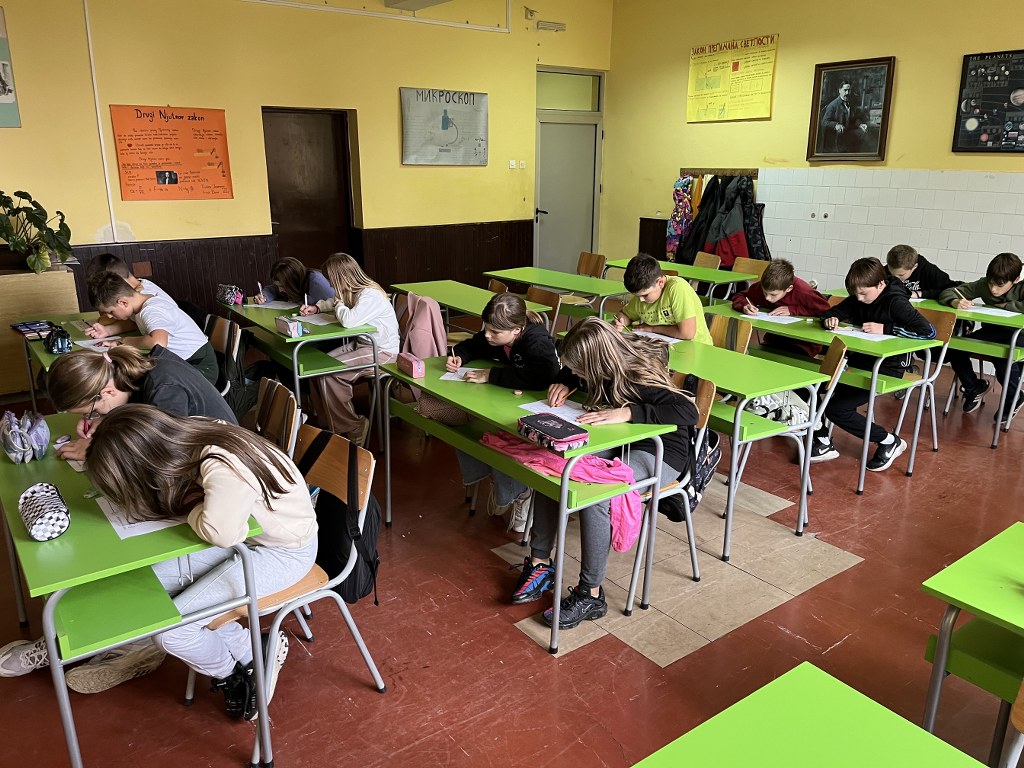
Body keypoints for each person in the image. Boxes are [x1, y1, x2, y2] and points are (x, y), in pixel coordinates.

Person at [7, 405, 317, 720]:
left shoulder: (222, 465)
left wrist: (192, 505)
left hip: (283, 551)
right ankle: (250, 648)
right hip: (247, 541)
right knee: (144, 584)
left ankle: (230, 673)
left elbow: (221, 532)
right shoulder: (183, 435)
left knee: (171, 632)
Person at [0, 347, 239, 692]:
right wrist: (101, 425)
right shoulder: (132, 376)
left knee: (115, 554)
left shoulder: (165, 390)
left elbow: (162, 459)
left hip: (211, 495)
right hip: (190, 485)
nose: (90, 418)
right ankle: (101, 640)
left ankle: (114, 642)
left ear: (106, 391)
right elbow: (143, 431)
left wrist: (99, 443)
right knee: (103, 538)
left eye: (91, 410)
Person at [511, 318, 697, 629]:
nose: (576, 374)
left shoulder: (637, 374)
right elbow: (571, 371)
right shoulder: (596, 365)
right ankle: (540, 564)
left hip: (659, 452)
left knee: (598, 494)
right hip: (616, 441)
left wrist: (629, 412)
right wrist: (565, 380)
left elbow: (689, 411)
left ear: (596, 363)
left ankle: (591, 594)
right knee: (554, 465)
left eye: (578, 370)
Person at [447, 293, 561, 532]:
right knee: (474, 430)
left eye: (495, 332)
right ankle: (503, 485)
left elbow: (543, 376)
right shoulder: (494, 335)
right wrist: (458, 358)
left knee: (504, 436)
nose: (488, 335)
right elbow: (471, 345)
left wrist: (491, 375)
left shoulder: (536, 341)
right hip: (506, 399)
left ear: (517, 330)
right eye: (487, 328)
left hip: (539, 406)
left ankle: (519, 492)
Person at [812, 258, 935, 471]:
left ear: (880, 284)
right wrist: (830, 320)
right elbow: (831, 313)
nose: (859, 299)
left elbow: (929, 332)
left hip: (887, 367)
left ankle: (889, 441)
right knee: (810, 386)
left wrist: (886, 329)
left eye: (863, 293)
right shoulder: (858, 297)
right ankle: (821, 438)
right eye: (855, 294)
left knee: (837, 409)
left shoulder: (896, 302)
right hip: (856, 362)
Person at [299, 253, 399, 446]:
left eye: (332, 281)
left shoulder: (371, 295)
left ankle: (353, 426)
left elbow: (348, 320)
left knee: (330, 372)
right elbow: (335, 301)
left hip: (383, 352)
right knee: (317, 368)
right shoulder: (354, 291)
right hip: (364, 345)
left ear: (342, 278)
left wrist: (338, 303)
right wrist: (317, 308)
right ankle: (330, 422)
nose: (331, 285)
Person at [85, 272, 218, 386]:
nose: (109, 316)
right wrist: (110, 334)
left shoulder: (151, 311)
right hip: (183, 362)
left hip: (200, 366)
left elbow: (157, 342)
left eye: (111, 312)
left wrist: (123, 342)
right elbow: (135, 324)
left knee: (137, 381)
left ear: (123, 302)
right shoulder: (141, 304)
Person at [939, 252, 1024, 420]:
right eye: (991, 283)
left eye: (1000, 285)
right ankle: (974, 387)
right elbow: (950, 292)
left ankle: (1014, 398)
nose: (993, 289)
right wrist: (955, 301)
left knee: (1003, 357)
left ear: (1015, 280)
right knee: (955, 347)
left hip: (1020, 334)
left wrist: (1006, 305)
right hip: (994, 331)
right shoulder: (984, 284)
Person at [732, 259, 831, 356]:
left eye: (773, 295)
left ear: (789, 289)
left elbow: (826, 312)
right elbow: (740, 296)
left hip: (803, 342)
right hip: (776, 337)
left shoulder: (803, 291)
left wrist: (793, 310)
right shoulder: (766, 286)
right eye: (765, 292)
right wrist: (745, 305)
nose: (767, 298)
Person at [613, 253, 712, 344]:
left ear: (660, 283)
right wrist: (620, 322)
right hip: (662, 346)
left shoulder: (677, 288)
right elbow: (625, 314)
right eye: (637, 296)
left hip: (696, 347)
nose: (640, 300)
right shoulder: (643, 293)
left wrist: (653, 329)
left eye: (645, 295)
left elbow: (687, 333)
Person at [251, 256, 335, 305]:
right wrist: (264, 296)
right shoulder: (287, 283)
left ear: (293, 282)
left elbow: (331, 303)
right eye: (277, 285)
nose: (280, 290)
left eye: (282, 286)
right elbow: (273, 289)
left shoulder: (316, 281)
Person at [885, 244, 955, 300]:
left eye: (901, 275)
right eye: (892, 273)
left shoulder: (928, 269)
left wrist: (919, 294)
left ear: (914, 267)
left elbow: (950, 289)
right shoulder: (884, 270)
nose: (896, 278)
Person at [820, 81, 868, 153]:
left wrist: (860, 124)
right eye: (845, 90)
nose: (847, 93)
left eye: (849, 90)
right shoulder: (833, 105)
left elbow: (854, 119)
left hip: (847, 136)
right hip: (835, 140)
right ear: (839, 91)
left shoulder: (851, 103)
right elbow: (824, 122)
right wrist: (836, 125)